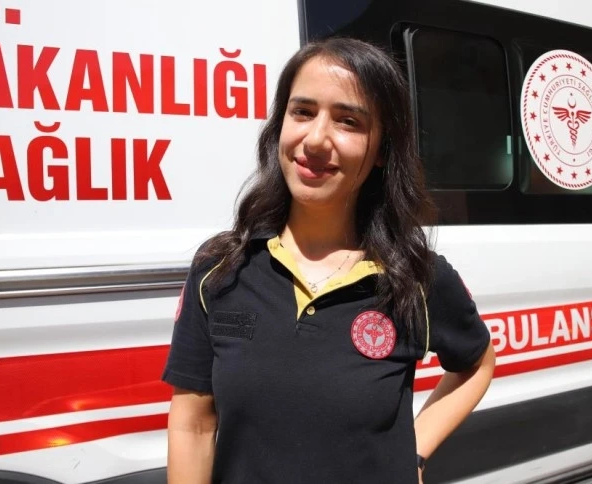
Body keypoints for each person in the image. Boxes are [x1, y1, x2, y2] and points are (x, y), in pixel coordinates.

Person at [162, 37, 496, 484]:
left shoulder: (416, 277)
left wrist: (412, 453)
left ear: (382, 151)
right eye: (302, 112)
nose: (316, 139)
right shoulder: (220, 269)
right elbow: (194, 424)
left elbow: (477, 363)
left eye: (348, 121)